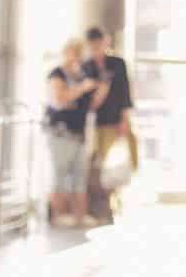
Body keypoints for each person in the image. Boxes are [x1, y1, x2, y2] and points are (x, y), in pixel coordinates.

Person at [45, 37, 101, 228]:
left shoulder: (81, 76)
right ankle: (57, 216)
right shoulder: (57, 74)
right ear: (66, 52)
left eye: (80, 53)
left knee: (79, 178)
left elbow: (91, 105)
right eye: (74, 52)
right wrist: (82, 88)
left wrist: (100, 88)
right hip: (61, 134)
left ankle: (80, 216)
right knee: (59, 176)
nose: (77, 57)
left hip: (79, 134)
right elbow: (61, 99)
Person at [83, 25, 135, 223]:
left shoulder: (118, 63)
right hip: (96, 124)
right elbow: (89, 102)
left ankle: (114, 203)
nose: (97, 47)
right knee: (99, 165)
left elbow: (125, 94)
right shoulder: (87, 66)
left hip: (116, 122)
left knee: (118, 164)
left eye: (100, 42)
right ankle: (102, 206)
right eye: (94, 44)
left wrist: (124, 121)